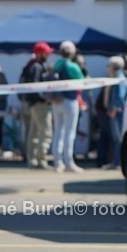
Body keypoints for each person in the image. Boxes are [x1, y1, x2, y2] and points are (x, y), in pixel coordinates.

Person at [50, 40, 85, 173]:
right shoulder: (72, 66)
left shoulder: (57, 64)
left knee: (58, 132)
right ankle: (69, 162)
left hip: (56, 101)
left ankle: (58, 162)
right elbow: (82, 81)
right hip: (69, 101)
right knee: (69, 133)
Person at [20, 42, 53, 168]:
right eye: (46, 53)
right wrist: (44, 99)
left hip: (32, 104)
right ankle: (41, 159)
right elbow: (35, 87)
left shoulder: (31, 66)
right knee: (45, 132)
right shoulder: (37, 67)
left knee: (34, 133)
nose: (48, 55)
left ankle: (33, 159)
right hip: (39, 104)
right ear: (40, 53)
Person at [103, 56, 127, 170]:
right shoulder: (118, 78)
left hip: (118, 113)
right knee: (116, 139)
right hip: (117, 112)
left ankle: (117, 163)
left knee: (118, 139)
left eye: (109, 66)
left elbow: (120, 97)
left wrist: (114, 109)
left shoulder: (119, 79)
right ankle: (116, 162)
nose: (107, 68)